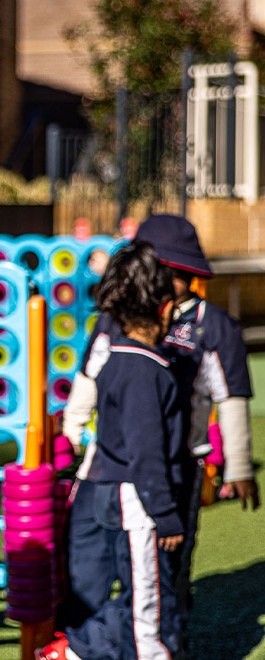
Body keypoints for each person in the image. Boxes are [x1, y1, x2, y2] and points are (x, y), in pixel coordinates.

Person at [59, 215, 259, 639]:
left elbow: (231, 397)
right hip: (104, 468)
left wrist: (239, 466)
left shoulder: (212, 325)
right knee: (86, 567)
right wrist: (72, 429)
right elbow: (89, 376)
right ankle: (78, 642)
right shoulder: (118, 318)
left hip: (172, 468)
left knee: (165, 573)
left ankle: (167, 637)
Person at [38, 241, 185, 660]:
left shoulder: (115, 358)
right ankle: (77, 653)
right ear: (161, 308)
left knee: (139, 597)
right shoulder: (145, 368)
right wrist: (166, 512)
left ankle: (77, 650)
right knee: (146, 609)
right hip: (137, 504)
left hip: (115, 492)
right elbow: (145, 451)